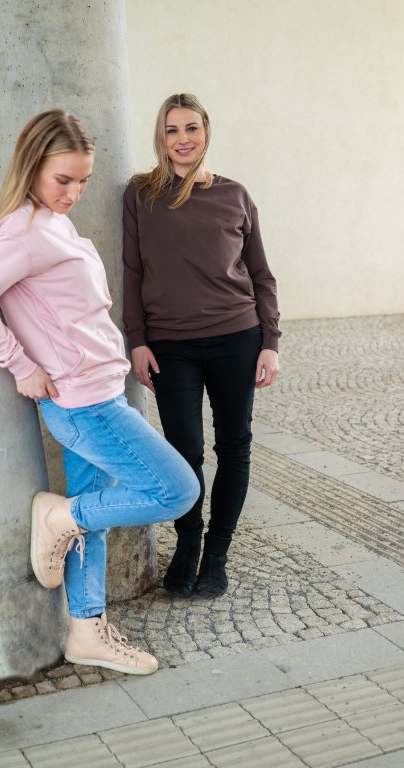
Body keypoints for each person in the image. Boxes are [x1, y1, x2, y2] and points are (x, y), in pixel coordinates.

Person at [0, 109, 199, 675]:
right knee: (176, 489)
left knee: (93, 518)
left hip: (98, 393)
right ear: (33, 166)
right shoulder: (22, 232)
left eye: (83, 180)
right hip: (85, 404)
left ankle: (86, 631)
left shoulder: (52, 222)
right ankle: (60, 517)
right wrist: (19, 364)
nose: (74, 193)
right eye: (63, 179)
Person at [123, 93, 280, 598]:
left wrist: (270, 341)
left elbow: (260, 274)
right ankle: (188, 544)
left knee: (234, 446)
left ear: (206, 132)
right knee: (183, 452)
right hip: (171, 346)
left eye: (191, 128)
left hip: (238, 336)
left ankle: (217, 555)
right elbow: (132, 271)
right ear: (161, 136)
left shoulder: (234, 195)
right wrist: (137, 340)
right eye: (172, 130)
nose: (183, 139)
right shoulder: (141, 194)